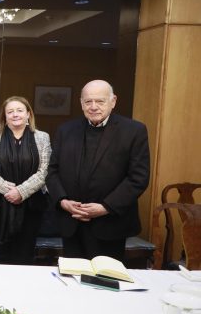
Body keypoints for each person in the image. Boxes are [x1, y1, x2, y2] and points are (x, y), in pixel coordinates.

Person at [46, 80, 150, 261]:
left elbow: (138, 178)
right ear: (81, 103)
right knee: (72, 276)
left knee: (105, 277)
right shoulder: (65, 130)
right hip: (72, 222)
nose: (93, 107)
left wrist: (105, 207)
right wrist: (63, 201)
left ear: (113, 101)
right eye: (88, 101)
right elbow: (52, 171)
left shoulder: (134, 131)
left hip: (110, 224)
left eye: (100, 101)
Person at [0, 96, 51, 264]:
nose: (15, 114)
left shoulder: (42, 137)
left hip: (31, 205)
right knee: (0, 253)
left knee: (25, 254)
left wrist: (21, 191)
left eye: (19, 110)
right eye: (10, 111)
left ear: (28, 114)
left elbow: (45, 171)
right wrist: (8, 190)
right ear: (4, 116)